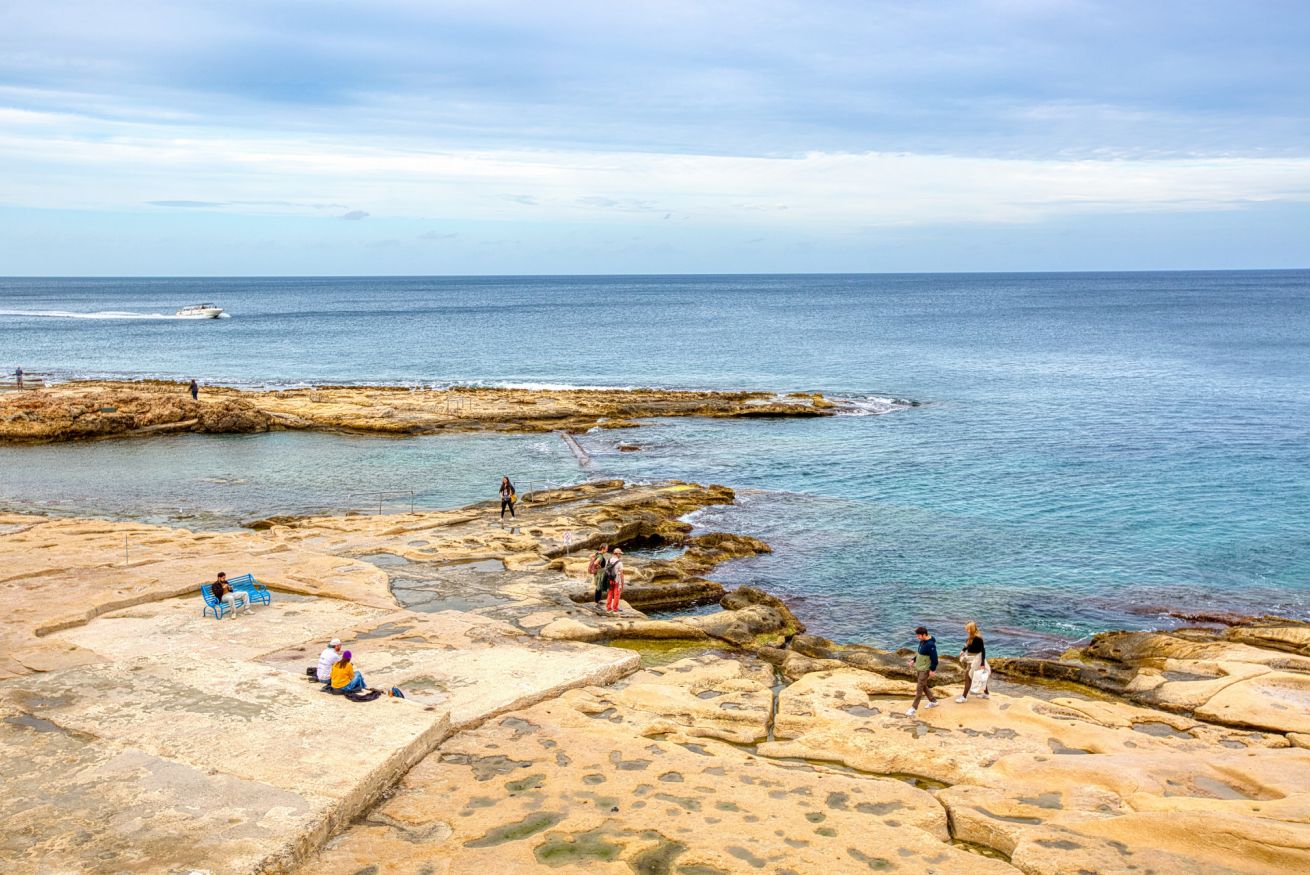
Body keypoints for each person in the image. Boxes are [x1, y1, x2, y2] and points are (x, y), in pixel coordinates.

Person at [906, 625, 939, 717]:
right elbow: (919, 654)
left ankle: (913, 708)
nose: (917, 637)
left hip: (925, 670)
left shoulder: (930, 645)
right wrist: (913, 660)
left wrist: (932, 669)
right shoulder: (922, 641)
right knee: (923, 686)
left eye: (919, 636)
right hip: (919, 668)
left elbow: (935, 658)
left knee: (919, 689)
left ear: (924, 634)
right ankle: (933, 701)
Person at [956, 621, 991, 702]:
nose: (966, 630)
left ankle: (964, 697)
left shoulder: (978, 638)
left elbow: (983, 651)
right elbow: (967, 645)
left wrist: (982, 663)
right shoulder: (970, 637)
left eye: (968, 629)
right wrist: (963, 650)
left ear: (972, 629)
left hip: (977, 659)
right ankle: (986, 694)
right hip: (971, 659)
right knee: (979, 677)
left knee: (968, 677)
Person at [588, 543, 611, 610]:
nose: (607, 550)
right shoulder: (600, 556)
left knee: (599, 588)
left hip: (598, 574)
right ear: (603, 549)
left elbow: (590, 556)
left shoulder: (597, 553)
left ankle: (598, 601)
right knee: (599, 588)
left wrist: (595, 557)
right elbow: (595, 563)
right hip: (599, 574)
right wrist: (598, 566)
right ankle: (596, 604)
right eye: (606, 549)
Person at [604, 548, 626, 614]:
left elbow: (606, 570)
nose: (621, 555)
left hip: (609, 580)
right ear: (617, 554)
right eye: (620, 554)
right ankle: (615, 608)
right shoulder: (619, 563)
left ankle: (608, 608)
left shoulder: (608, 560)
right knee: (616, 595)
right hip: (617, 580)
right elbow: (621, 574)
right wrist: (622, 583)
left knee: (610, 593)